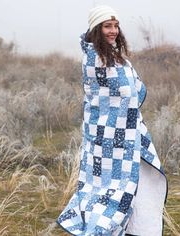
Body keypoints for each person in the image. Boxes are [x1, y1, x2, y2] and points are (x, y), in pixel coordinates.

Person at [57, 5, 168, 236]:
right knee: (108, 188)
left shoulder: (113, 56)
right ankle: (103, 228)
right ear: (97, 28)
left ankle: (139, 229)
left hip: (128, 133)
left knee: (140, 180)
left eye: (116, 26)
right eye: (108, 26)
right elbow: (104, 99)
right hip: (106, 139)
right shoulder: (94, 59)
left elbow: (131, 90)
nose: (114, 30)